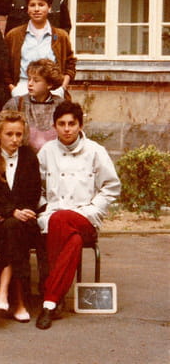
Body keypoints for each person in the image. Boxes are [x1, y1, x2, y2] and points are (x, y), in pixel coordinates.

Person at [35, 101, 120, 330]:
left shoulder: (95, 151)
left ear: (80, 125)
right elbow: (35, 188)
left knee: (61, 220)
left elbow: (111, 187)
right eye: (61, 124)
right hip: (54, 218)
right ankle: (52, 301)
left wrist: (93, 210)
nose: (67, 129)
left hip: (86, 218)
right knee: (72, 240)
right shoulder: (46, 152)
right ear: (54, 126)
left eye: (71, 124)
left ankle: (50, 292)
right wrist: (44, 207)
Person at [0, 110, 41, 323]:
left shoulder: (29, 157)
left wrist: (21, 212)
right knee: (12, 231)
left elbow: (33, 192)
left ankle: (3, 291)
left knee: (15, 229)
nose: (15, 139)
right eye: (9, 134)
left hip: (24, 221)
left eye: (19, 134)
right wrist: (10, 212)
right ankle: (20, 302)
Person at [5, 0, 76, 98]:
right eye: (32, 5)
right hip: (23, 88)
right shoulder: (13, 36)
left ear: (49, 7)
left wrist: (62, 87)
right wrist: (13, 89)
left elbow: (70, 64)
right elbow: (5, 66)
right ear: (27, 8)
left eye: (41, 4)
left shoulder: (60, 36)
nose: (36, 9)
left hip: (52, 89)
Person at [2, 58, 64, 152]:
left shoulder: (61, 105)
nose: (30, 84)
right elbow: (2, 131)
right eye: (29, 79)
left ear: (49, 84)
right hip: (23, 156)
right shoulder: (16, 103)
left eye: (36, 80)